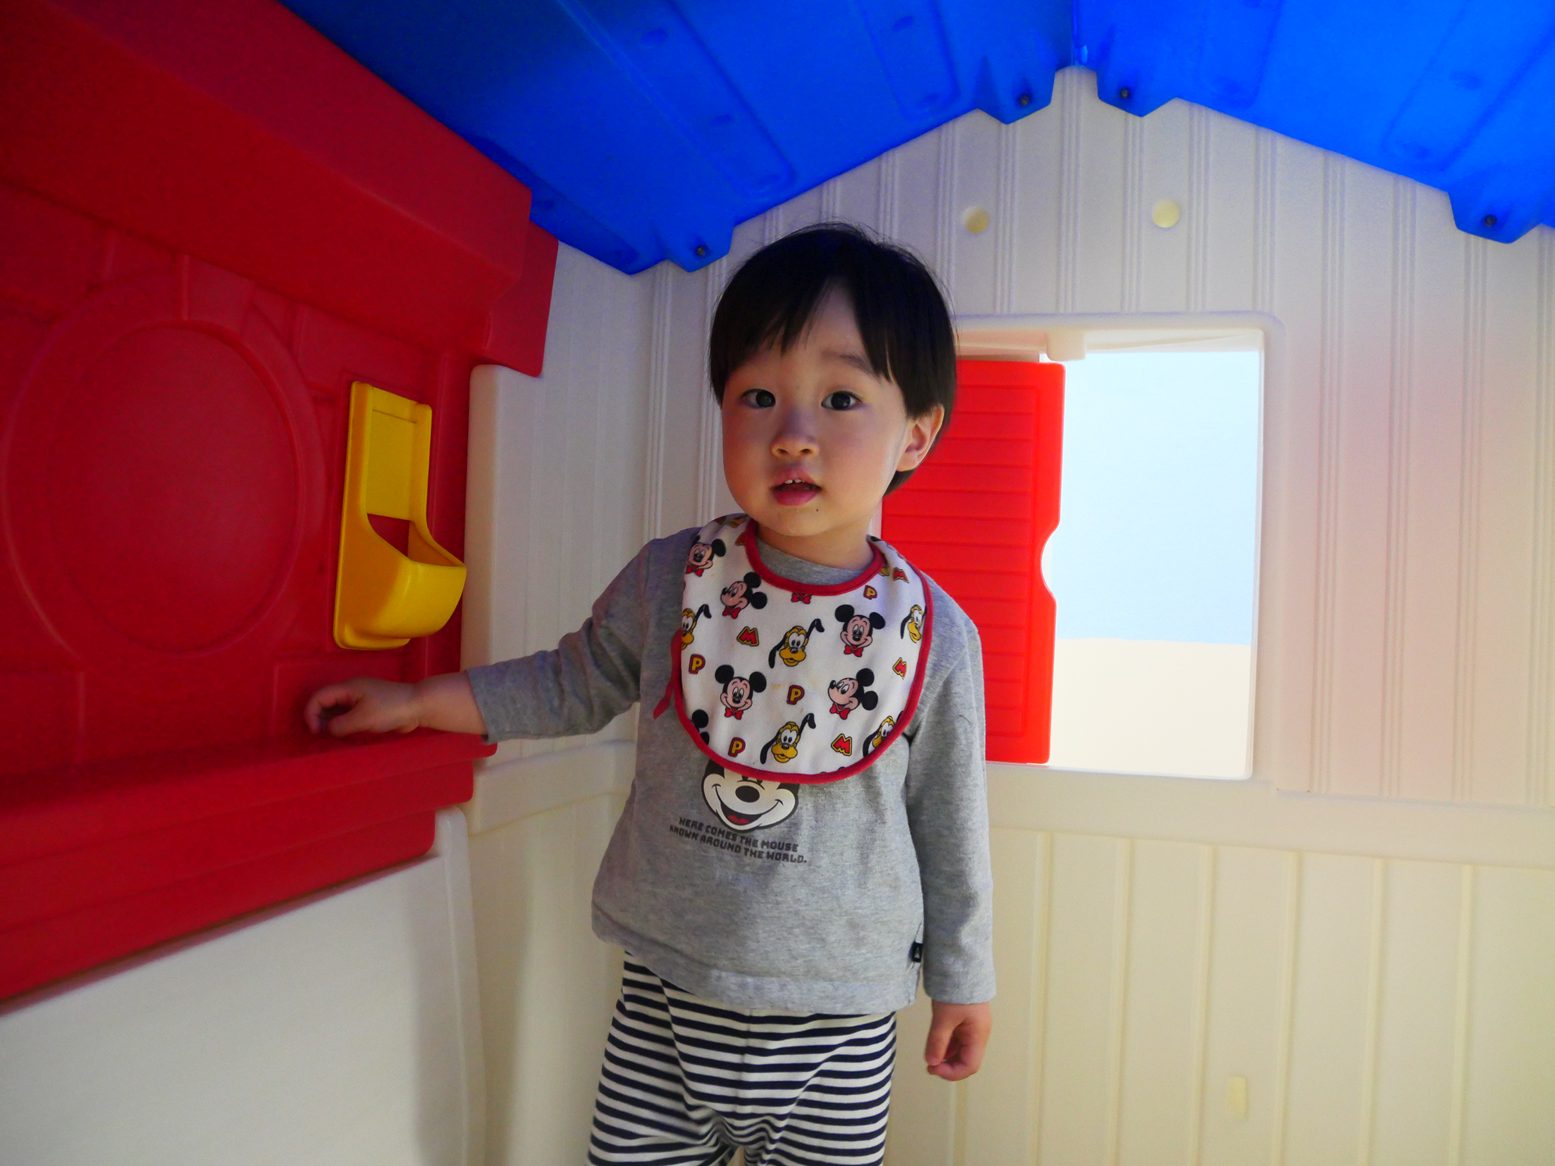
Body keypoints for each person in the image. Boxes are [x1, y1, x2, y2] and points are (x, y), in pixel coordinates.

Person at [306, 222, 994, 1165]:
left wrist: (964, 979)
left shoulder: (936, 636)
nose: (791, 433)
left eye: (839, 398)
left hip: (837, 1024)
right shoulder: (675, 579)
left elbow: (950, 824)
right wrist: (422, 701)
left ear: (914, 434)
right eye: (757, 396)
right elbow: (571, 682)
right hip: (663, 1000)